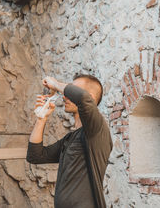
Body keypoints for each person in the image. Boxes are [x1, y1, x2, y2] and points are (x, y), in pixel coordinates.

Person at [26, 74, 112, 208]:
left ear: (91, 98)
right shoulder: (71, 138)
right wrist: (41, 118)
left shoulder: (97, 129)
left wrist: (55, 84)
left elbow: (83, 98)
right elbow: (35, 155)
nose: (65, 96)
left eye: (71, 90)